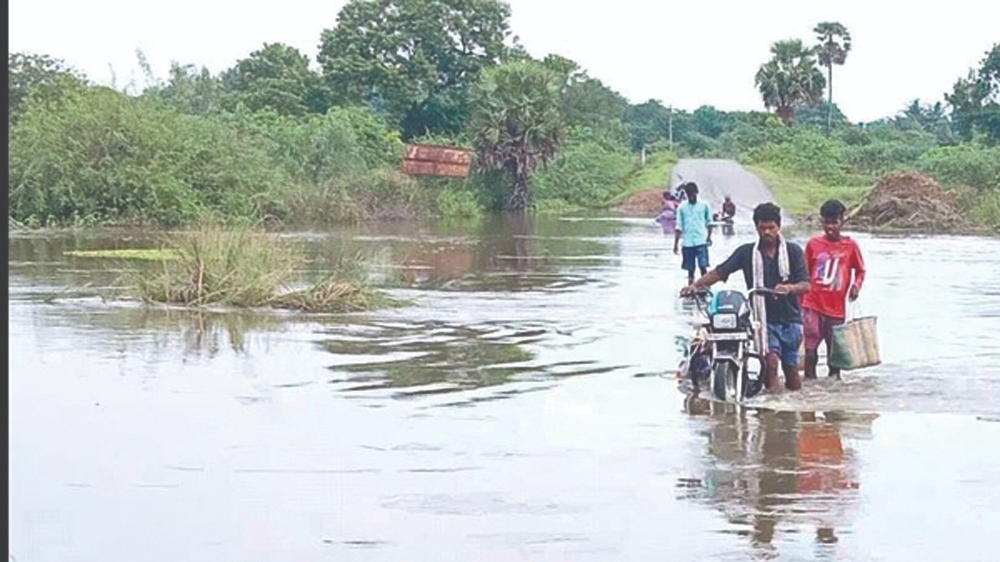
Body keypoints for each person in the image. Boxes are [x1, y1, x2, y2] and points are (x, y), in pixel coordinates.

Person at [680, 202, 811, 393]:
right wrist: (695, 286)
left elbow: (806, 285)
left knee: (791, 369)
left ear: (779, 226)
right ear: (756, 227)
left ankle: (794, 409)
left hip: (791, 319)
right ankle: (772, 414)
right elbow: (720, 272)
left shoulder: (793, 252)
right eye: (762, 228)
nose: (767, 232)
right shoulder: (746, 252)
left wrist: (789, 288)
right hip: (764, 321)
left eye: (771, 228)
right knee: (770, 362)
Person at [802, 199, 867, 380]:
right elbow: (803, 273)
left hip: (836, 307)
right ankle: (810, 387)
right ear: (821, 221)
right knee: (810, 347)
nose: (830, 227)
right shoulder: (813, 244)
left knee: (834, 351)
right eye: (826, 223)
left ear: (842, 222)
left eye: (834, 223)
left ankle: (833, 387)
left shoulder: (850, 246)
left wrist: (856, 286)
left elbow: (861, 270)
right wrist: (800, 302)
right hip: (812, 303)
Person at [673, 182, 713, 285]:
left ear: (697, 193)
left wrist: (709, 237)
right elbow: (679, 227)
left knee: (703, 266)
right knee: (690, 270)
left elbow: (709, 223)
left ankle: (705, 286)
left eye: (693, 195)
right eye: (689, 195)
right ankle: (691, 287)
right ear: (686, 194)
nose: (691, 197)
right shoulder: (682, 207)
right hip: (687, 243)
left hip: (701, 241)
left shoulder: (704, 205)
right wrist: (675, 245)